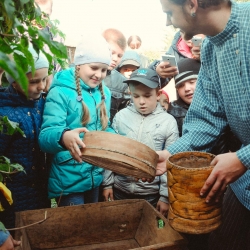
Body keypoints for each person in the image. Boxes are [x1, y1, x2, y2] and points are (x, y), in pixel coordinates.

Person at [154, 0, 250, 249]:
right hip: (245, 186)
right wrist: (171, 155)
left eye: (168, 12)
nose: (168, 22)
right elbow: (207, 118)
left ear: (192, 4)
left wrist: (243, 158)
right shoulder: (209, 48)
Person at [38, 35, 115, 207]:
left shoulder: (104, 93)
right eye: (94, 67)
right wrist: (63, 137)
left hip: (95, 176)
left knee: (90, 226)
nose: (99, 74)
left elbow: (104, 128)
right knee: (73, 227)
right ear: (78, 64)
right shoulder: (60, 92)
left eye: (104, 70)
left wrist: (116, 139)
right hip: (68, 180)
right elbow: (46, 136)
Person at [102, 68, 179, 216]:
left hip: (151, 195)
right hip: (119, 190)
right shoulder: (121, 117)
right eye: (136, 96)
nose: (141, 101)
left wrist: (165, 196)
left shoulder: (168, 122)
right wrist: (107, 184)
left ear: (158, 94)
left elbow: (170, 164)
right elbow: (111, 152)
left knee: (152, 232)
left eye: (147, 95)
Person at [0, 45, 51, 230]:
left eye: (44, 79)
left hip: (40, 191)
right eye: (34, 82)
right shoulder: (5, 116)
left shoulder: (41, 104)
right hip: (15, 198)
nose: (42, 86)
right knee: (19, 235)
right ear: (14, 82)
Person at [168, 58, 200, 137]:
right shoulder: (172, 112)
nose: (187, 89)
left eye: (191, 82)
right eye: (181, 85)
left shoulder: (217, 106)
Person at [102, 28, 128, 122]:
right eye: (112, 53)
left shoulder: (123, 83)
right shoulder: (79, 72)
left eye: (119, 55)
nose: (115, 59)